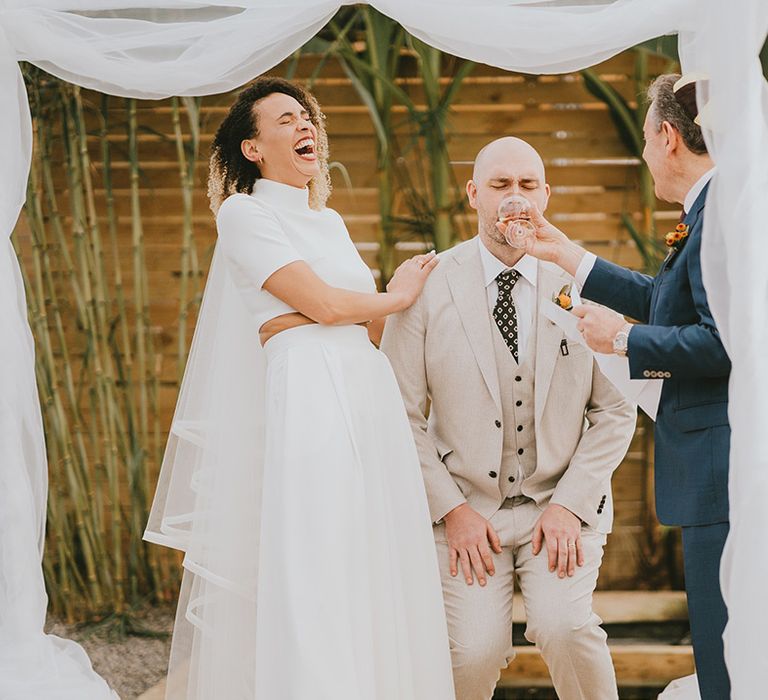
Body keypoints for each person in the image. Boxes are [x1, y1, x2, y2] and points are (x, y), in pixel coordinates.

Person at [144, 77, 455, 699]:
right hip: (309, 389)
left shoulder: (330, 221)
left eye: (306, 116)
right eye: (285, 119)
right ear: (253, 148)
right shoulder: (243, 214)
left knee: (373, 552)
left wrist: (348, 309)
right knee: (318, 551)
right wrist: (392, 294)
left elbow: (359, 325)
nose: (304, 124)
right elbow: (323, 302)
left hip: (366, 390)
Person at [381, 136, 636, 700]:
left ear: (546, 193)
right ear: (473, 194)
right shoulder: (426, 284)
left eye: (526, 185)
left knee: (567, 629)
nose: (514, 198)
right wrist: (451, 510)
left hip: (558, 507)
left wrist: (570, 504)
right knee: (471, 652)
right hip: (465, 512)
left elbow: (616, 410)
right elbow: (396, 412)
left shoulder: (584, 284)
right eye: (499, 185)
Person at [523, 74, 731, 700]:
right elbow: (668, 300)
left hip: (722, 466)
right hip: (715, 464)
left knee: (726, 652)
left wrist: (622, 341)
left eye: (645, 139)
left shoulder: (720, 216)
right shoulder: (714, 209)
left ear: (668, 137)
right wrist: (571, 257)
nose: (643, 155)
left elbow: (722, 342)